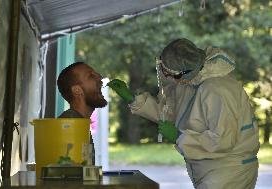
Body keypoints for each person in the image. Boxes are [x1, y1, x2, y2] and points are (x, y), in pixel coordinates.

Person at [108, 38, 259, 189]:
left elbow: (222, 140)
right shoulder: (189, 82)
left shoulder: (217, 89)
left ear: (185, 72)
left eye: (172, 74)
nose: (167, 77)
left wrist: (179, 137)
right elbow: (168, 113)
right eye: (164, 70)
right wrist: (133, 99)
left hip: (231, 172)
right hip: (212, 170)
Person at [57, 62, 107, 165]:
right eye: (91, 76)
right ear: (77, 90)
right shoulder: (71, 122)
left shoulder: (79, 122)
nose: (100, 78)